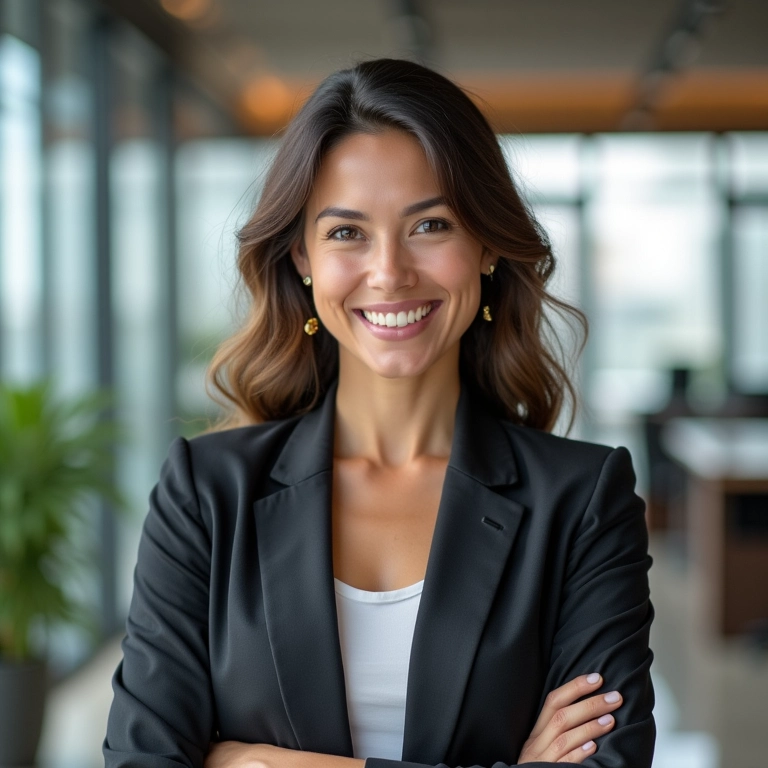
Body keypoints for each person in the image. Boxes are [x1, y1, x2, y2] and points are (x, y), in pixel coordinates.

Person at [103, 58, 655, 768]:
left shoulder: (581, 500)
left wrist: (257, 762)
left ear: (485, 244)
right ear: (301, 257)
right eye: (346, 233)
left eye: (430, 224)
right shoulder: (207, 494)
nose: (390, 271)